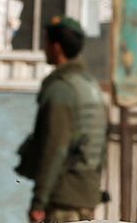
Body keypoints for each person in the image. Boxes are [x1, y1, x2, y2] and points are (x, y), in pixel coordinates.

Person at [16, 15, 108, 222]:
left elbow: (54, 147)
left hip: (63, 200)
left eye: (46, 42)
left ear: (56, 47)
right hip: (85, 196)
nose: (44, 48)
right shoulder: (90, 86)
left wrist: (39, 201)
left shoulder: (62, 89)